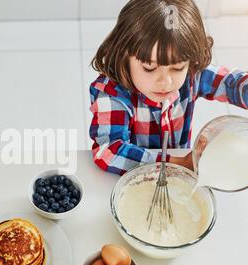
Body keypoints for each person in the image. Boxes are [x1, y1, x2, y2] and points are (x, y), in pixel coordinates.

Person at [89, 0, 247, 175]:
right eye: (149, 68)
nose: (165, 82)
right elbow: (108, 151)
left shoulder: (193, 75)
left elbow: (231, 83)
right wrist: (176, 163)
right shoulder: (111, 93)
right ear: (124, 56)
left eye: (177, 68)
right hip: (138, 175)